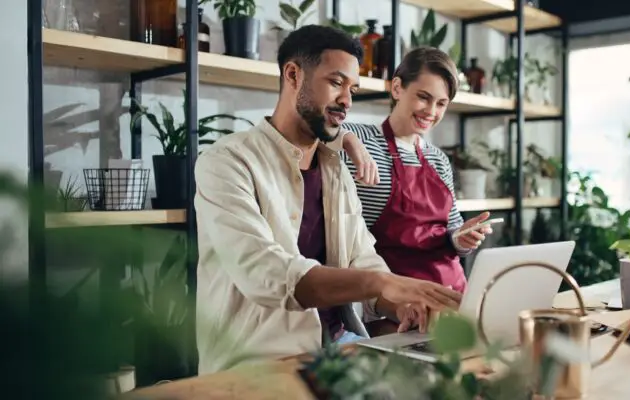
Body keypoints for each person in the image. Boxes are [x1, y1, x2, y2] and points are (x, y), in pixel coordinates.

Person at [193, 26, 462, 374]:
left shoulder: (335, 169)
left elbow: (362, 258)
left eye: (352, 89)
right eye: (336, 83)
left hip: (339, 354)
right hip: (257, 369)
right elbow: (266, 274)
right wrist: (385, 283)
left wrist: (400, 305)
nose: (347, 101)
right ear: (293, 74)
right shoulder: (227, 162)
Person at [339, 47, 493, 295]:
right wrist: (347, 140)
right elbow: (313, 129)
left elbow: (451, 234)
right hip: (395, 297)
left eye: (441, 103)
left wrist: (463, 238)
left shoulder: (438, 159)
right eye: (424, 97)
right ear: (398, 88)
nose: (431, 111)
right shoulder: (361, 139)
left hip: (452, 291)